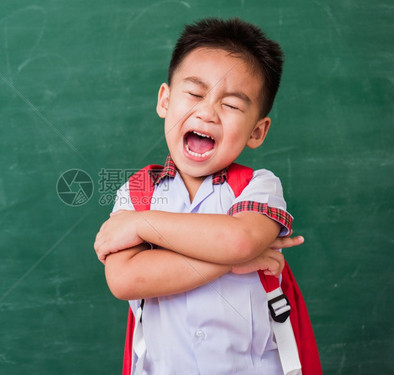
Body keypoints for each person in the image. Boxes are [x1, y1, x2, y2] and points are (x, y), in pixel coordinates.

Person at [94, 18, 305, 374]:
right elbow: (126, 279)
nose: (206, 111)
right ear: (164, 100)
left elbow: (238, 240)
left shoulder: (260, 186)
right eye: (194, 93)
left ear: (257, 131)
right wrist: (231, 262)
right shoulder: (138, 190)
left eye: (232, 105)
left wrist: (142, 224)